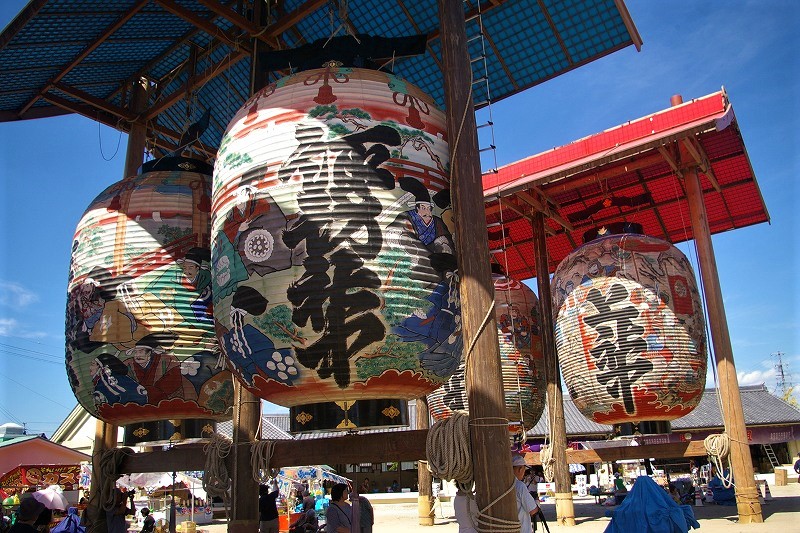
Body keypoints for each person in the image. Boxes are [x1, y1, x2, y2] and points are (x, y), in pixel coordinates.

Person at [511, 455, 540, 533]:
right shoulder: (520, 486)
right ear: (520, 469)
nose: (524, 473)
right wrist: (537, 503)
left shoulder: (503, 485)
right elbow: (532, 510)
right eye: (524, 470)